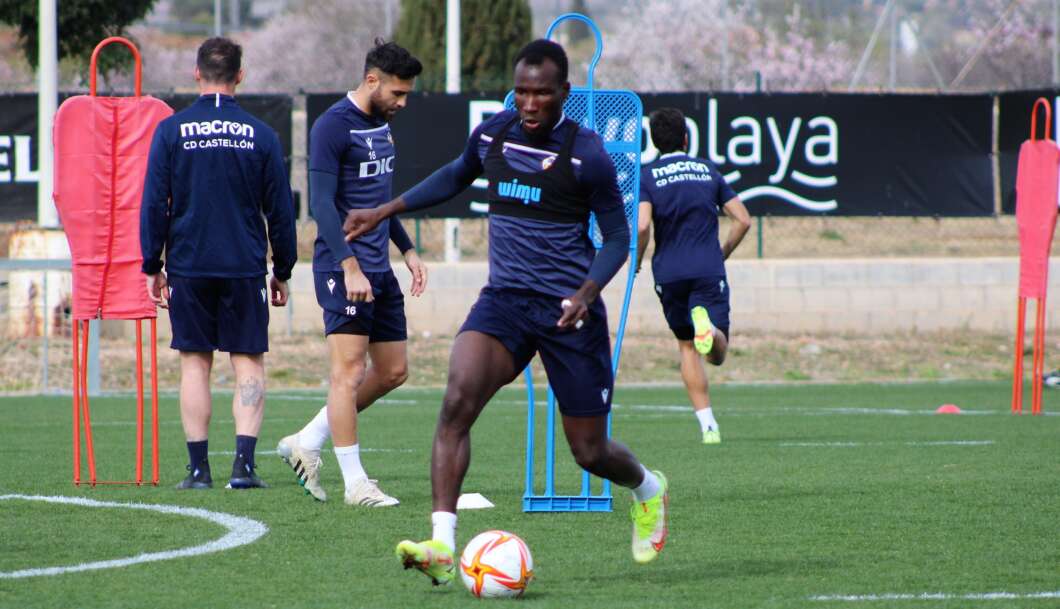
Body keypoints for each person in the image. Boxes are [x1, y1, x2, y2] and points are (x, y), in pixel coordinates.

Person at [343, 39, 670, 583]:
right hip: (505, 303)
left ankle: (648, 489)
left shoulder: (586, 153)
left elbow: (617, 238)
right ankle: (443, 545)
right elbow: (454, 174)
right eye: (521, 91)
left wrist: (588, 293)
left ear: (564, 93)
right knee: (456, 401)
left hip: (571, 312)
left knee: (588, 452)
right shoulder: (495, 132)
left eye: (542, 93)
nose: (530, 102)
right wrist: (386, 209)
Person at [140, 37, 297, 490]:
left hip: (189, 264)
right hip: (244, 266)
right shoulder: (262, 135)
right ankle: (244, 468)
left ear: (196, 73)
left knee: (195, 363)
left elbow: (154, 203)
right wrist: (282, 269)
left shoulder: (171, 131)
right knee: (247, 363)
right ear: (240, 76)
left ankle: (198, 470)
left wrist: (153, 263)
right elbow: (281, 211)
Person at [274, 40, 426, 507]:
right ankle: (355, 484)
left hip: (379, 268)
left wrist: (408, 248)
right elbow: (321, 203)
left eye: (407, 96)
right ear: (372, 80)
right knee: (349, 372)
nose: (402, 103)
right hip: (344, 268)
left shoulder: (383, 127)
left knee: (394, 371)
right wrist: (349, 265)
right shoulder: (332, 127)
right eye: (398, 93)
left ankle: (308, 439)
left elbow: (380, 200)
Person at [636, 107, 751, 445]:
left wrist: (639, 259)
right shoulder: (706, 170)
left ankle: (708, 426)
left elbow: (642, 225)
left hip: (668, 272)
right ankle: (711, 328)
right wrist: (723, 252)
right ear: (686, 138)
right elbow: (742, 219)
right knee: (716, 355)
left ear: (654, 142)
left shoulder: (648, 175)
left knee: (686, 346)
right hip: (706, 268)